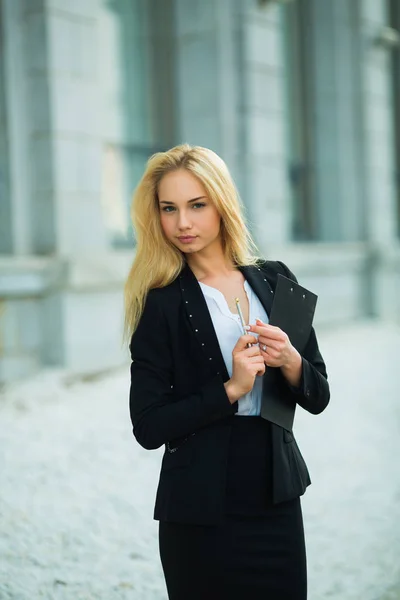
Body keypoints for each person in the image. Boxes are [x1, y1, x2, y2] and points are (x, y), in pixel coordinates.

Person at [124, 144, 330, 600]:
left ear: (222, 204)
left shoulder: (276, 279)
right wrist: (232, 389)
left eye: (197, 205)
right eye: (169, 209)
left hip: (276, 497)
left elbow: (318, 396)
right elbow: (148, 425)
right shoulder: (159, 303)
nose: (183, 223)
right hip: (199, 508)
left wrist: (292, 362)